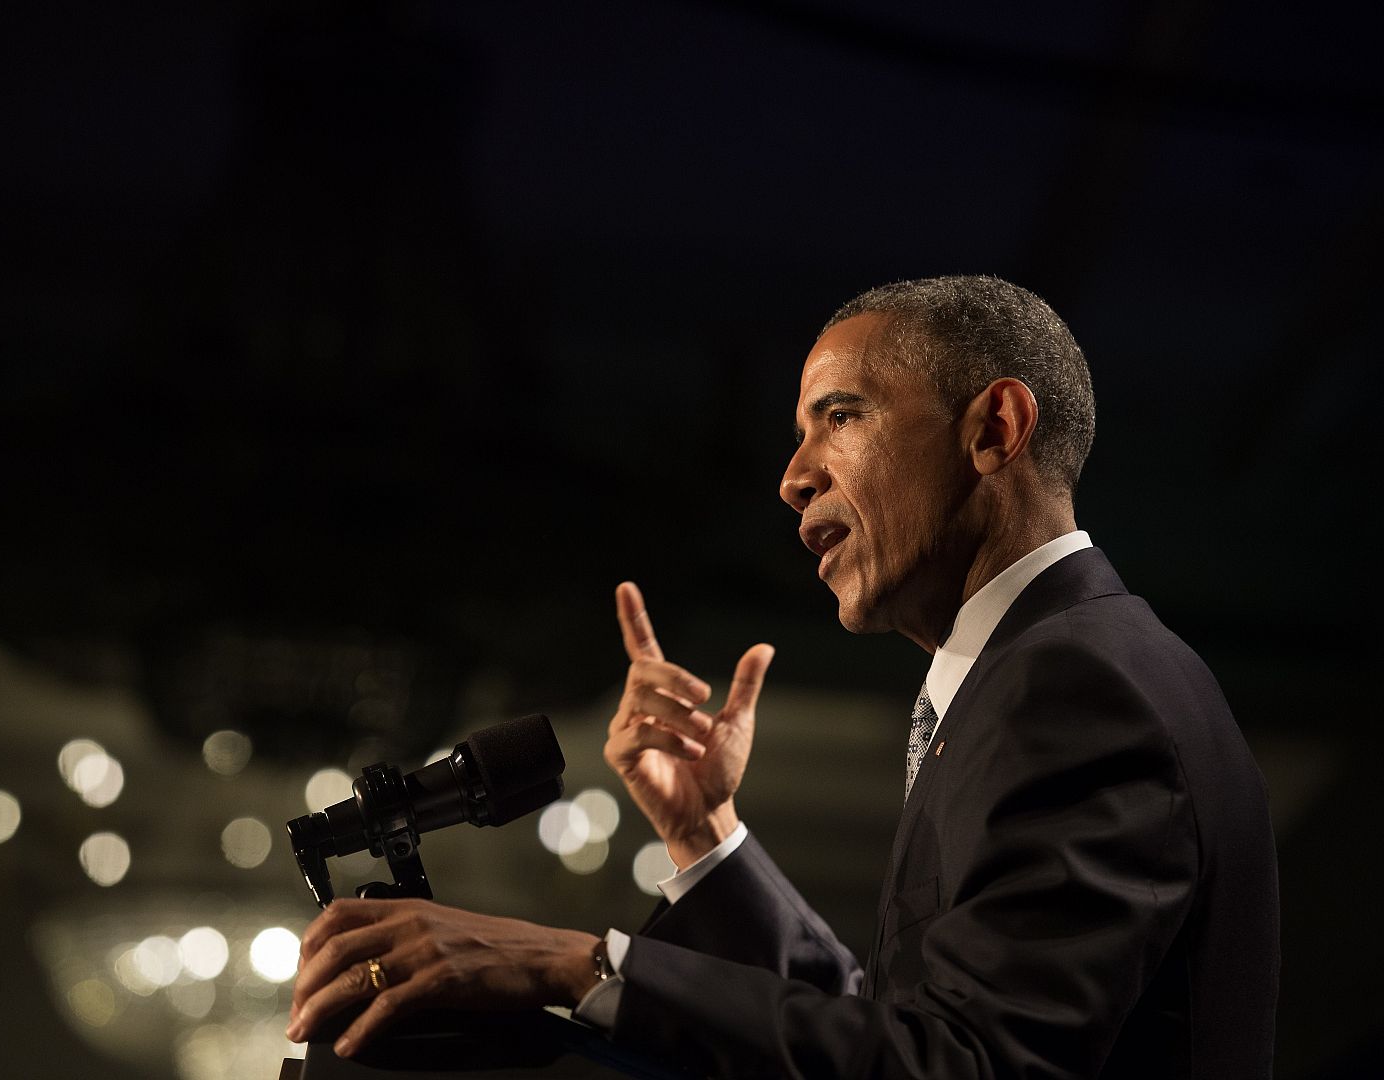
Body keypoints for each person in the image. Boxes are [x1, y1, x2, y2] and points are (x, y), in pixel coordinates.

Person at [285, 275, 1280, 1078]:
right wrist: (704, 836)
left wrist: (571, 961)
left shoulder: (1071, 683)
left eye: (838, 415)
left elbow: (965, 1067)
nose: (792, 476)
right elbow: (894, 1029)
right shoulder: (1050, 669)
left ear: (993, 429)